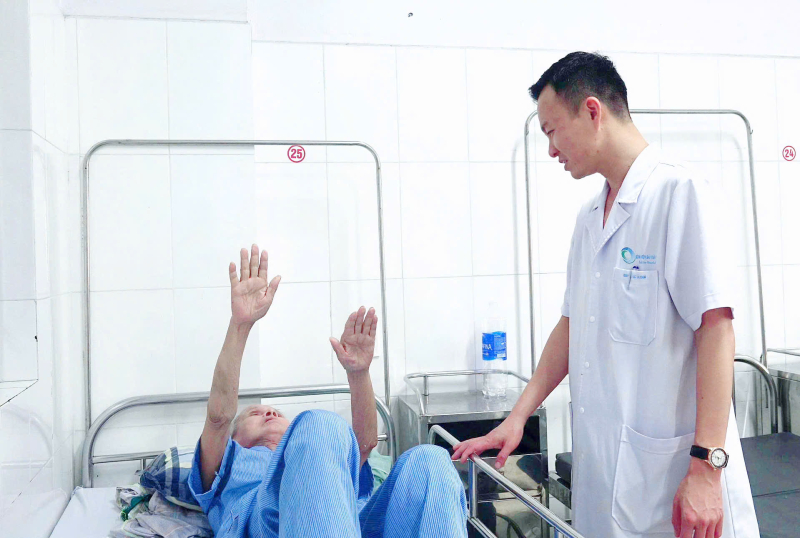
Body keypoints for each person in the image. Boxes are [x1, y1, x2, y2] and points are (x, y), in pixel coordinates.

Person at [452, 52, 760, 538]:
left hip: (674, 477)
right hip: (606, 473)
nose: (550, 149)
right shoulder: (589, 218)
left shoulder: (679, 192)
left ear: (592, 111)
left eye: (552, 131)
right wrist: (517, 417)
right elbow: (572, 324)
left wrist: (706, 467)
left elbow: (716, 329)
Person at [189, 244, 468, 538]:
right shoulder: (227, 465)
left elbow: (363, 446)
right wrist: (240, 325)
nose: (269, 412)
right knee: (320, 424)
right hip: (266, 524)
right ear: (234, 440)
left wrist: (358, 373)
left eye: (277, 414)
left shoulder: (322, 453)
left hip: (353, 523)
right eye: (255, 414)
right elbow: (218, 418)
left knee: (430, 461)